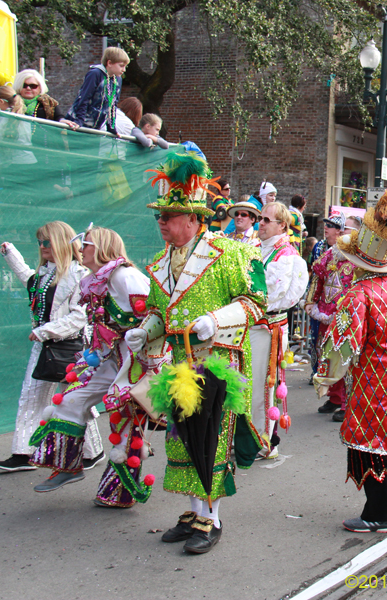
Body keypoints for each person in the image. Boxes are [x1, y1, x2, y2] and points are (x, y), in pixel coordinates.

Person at [127, 149, 267, 554]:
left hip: (219, 365)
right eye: (159, 217)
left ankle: (212, 518)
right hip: (177, 365)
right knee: (182, 440)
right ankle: (192, 512)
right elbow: (160, 311)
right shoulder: (158, 262)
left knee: (211, 440)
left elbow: (257, 302)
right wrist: (145, 331)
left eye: (167, 217)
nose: (161, 224)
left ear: (192, 219)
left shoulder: (231, 253)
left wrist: (215, 320)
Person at [313, 190, 387, 533]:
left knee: (370, 442)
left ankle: (379, 511)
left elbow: (343, 344)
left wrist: (324, 376)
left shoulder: (359, 294)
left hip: (373, 377)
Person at [28, 227, 153, 502]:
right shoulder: (94, 280)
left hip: (135, 361)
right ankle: (68, 467)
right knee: (69, 401)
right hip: (107, 357)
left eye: (86, 244)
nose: (81, 249)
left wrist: (142, 341)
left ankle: (118, 494)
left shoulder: (125, 276)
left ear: (102, 247)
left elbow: (154, 313)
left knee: (124, 425)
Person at [0, 222, 103, 473]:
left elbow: (80, 316)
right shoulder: (44, 274)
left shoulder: (79, 274)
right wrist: (11, 254)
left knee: (75, 399)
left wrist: (44, 331)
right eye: (40, 242)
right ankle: (24, 452)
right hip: (45, 347)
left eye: (47, 242)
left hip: (72, 347)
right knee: (31, 396)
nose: (42, 247)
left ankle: (93, 450)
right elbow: (28, 279)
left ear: (60, 243)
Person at [250, 202, 309, 459]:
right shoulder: (253, 249)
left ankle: (263, 440)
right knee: (245, 385)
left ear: (282, 225)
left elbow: (272, 296)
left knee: (264, 386)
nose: (260, 223)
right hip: (250, 326)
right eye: (260, 219)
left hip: (268, 328)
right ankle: (246, 437)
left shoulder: (286, 256)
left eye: (266, 220)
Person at [305, 218, 356, 421]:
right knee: (327, 356)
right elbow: (317, 277)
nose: (342, 232)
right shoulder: (329, 254)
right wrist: (310, 301)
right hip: (326, 314)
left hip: (347, 315)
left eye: (347, 228)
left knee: (345, 358)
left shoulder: (360, 257)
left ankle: (347, 403)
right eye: (341, 228)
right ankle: (335, 398)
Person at [307, 213, 345, 380]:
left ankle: (334, 377)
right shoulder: (319, 247)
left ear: (339, 230)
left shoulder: (347, 249)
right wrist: (310, 301)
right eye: (325, 224)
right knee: (316, 339)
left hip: (339, 305)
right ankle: (316, 371)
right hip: (321, 303)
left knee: (336, 344)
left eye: (330, 225)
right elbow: (316, 276)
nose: (326, 228)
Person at [64, 47, 129, 132]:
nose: (124, 70)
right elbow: (84, 98)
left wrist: (111, 127)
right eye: (121, 66)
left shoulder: (117, 79)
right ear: (109, 63)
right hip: (78, 123)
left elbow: (113, 105)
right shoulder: (95, 74)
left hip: (95, 127)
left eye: (125, 66)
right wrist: (79, 120)